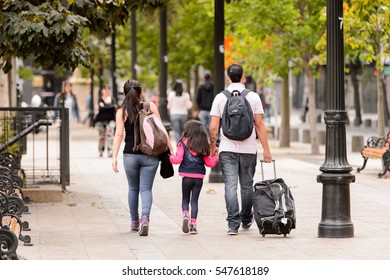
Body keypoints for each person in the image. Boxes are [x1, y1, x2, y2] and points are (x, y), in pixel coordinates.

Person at [209, 64, 272, 235]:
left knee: (230, 186)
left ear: (228, 78)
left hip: (227, 148)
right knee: (246, 186)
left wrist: (212, 146)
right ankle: (246, 218)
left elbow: (214, 127)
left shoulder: (220, 98)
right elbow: (259, 124)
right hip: (249, 149)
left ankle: (232, 224)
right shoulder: (253, 97)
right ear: (243, 77)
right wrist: (266, 150)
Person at [112, 79, 173, 237]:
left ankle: (134, 222)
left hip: (130, 155)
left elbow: (119, 135)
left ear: (125, 93)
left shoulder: (121, 111)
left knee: (133, 188)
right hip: (150, 155)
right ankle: (145, 218)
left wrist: (114, 158)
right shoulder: (149, 106)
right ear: (141, 93)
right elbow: (160, 128)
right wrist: (170, 147)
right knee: (146, 189)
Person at [169, 120, 218, 234]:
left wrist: (169, 157)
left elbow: (177, 160)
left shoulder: (183, 143)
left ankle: (185, 214)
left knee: (185, 199)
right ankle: (193, 225)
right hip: (199, 177)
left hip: (186, 176)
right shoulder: (203, 144)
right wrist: (216, 157)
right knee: (194, 201)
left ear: (187, 130)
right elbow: (209, 163)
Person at [93, 86, 117, 157]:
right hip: (101, 120)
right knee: (102, 136)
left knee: (110, 135)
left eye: (108, 89)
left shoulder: (112, 99)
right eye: (105, 89)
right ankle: (101, 150)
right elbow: (101, 108)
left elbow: (114, 108)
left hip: (111, 120)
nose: (107, 91)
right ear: (102, 91)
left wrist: (105, 107)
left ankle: (110, 150)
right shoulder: (100, 99)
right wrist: (109, 107)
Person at [196, 72, 214, 137]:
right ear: (210, 77)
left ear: (204, 78)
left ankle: (206, 140)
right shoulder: (214, 86)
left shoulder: (201, 87)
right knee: (211, 126)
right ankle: (211, 139)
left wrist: (199, 106)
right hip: (212, 109)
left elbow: (198, 99)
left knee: (203, 126)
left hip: (203, 109)